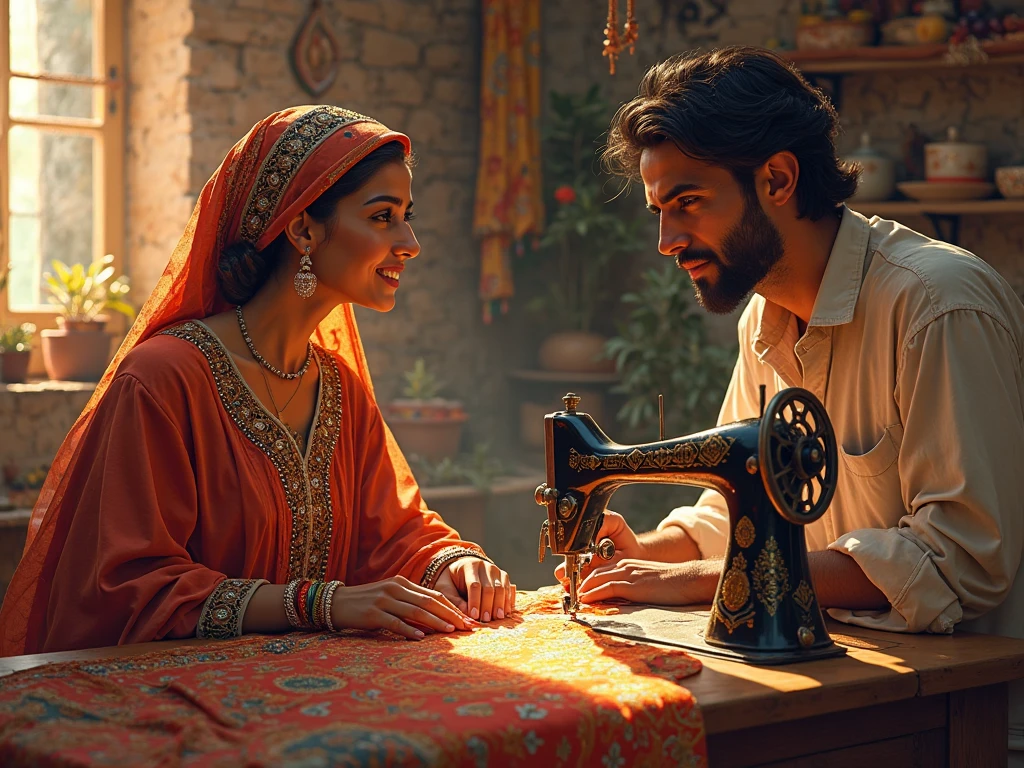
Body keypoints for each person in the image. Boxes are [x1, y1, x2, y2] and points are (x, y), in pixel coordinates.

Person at [558, 47, 1024, 758]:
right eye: (659, 211)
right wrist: (643, 555)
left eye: (686, 203)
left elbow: (960, 558)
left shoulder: (936, 306)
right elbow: (735, 509)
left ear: (777, 177)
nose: (665, 241)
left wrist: (692, 580)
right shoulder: (766, 318)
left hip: (962, 724)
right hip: (844, 699)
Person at [0, 105, 515, 656]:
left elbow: (392, 535)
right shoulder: (163, 379)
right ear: (302, 228)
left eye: (407, 216)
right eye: (383, 216)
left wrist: (455, 564)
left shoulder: (339, 388)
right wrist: (321, 603)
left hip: (317, 706)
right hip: (176, 707)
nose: (410, 242)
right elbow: (127, 587)